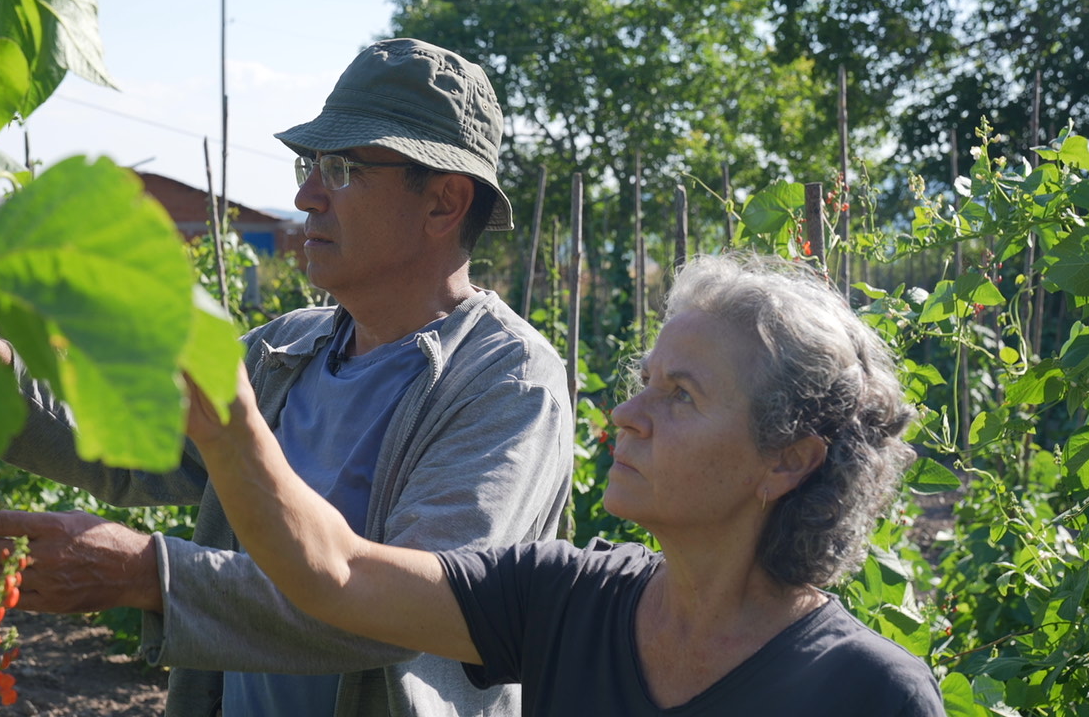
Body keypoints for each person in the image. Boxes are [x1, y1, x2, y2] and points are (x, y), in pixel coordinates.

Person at [0, 38, 574, 717]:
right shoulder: (286, 348)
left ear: (443, 203)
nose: (305, 196)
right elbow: (134, 436)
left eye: (340, 169)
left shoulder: (506, 384)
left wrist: (149, 574)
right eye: (309, 164)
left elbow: (414, 606)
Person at [185, 252, 948, 716]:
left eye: (680, 394)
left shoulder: (870, 695)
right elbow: (342, 577)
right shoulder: (566, 602)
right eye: (644, 381)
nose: (626, 414)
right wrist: (230, 422)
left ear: (788, 459)